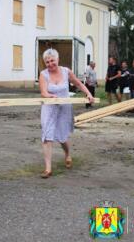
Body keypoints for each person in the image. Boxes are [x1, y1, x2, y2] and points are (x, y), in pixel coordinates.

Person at [39, 48, 94, 178]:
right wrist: (50, 96)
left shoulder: (66, 72)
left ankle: (67, 154)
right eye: (47, 62)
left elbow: (79, 84)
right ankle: (48, 169)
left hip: (64, 108)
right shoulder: (43, 74)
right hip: (49, 107)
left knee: (62, 137)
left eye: (52, 60)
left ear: (57, 60)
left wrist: (89, 93)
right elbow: (43, 92)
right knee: (47, 136)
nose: (50, 64)